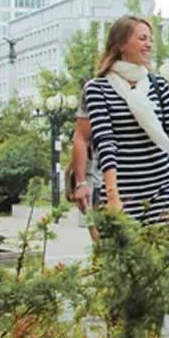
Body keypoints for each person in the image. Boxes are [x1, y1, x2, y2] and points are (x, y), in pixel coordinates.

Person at [84, 15, 169, 307]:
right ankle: (129, 336)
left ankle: (152, 333)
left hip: (163, 185)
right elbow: (104, 143)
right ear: (122, 44)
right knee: (127, 268)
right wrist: (112, 196)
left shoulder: (158, 84)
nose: (148, 44)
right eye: (142, 38)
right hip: (125, 187)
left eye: (150, 38)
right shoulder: (97, 89)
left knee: (158, 267)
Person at [71, 87, 101, 242]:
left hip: (142, 180)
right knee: (101, 244)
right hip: (99, 181)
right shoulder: (94, 90)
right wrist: (81, 183)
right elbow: (80, 138)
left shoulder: (153, 85)